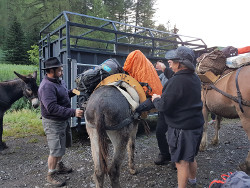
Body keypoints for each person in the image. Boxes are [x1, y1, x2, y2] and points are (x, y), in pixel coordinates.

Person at [152, 46, 204, 188]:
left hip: (182, 129)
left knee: (181, 162)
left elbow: (163, 106)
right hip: (196, 125)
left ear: (180, 63)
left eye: (172, 60)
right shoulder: (194, 78)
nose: (169, 62)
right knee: (191, 156)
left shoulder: (176, 81)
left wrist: (155, 99)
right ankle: (193, 182)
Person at [38, 57, 84, 187]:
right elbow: (51, 108)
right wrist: (73, 112)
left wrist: (76, 91)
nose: (62, 71)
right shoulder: (46, 86)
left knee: (62, 146)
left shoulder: (59, 81)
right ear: (51, 70)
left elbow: (65, 94)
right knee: (55, 149)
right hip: (53, 123)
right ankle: (50, 175)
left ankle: (59, 166)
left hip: (62, 120)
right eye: (60, 69)